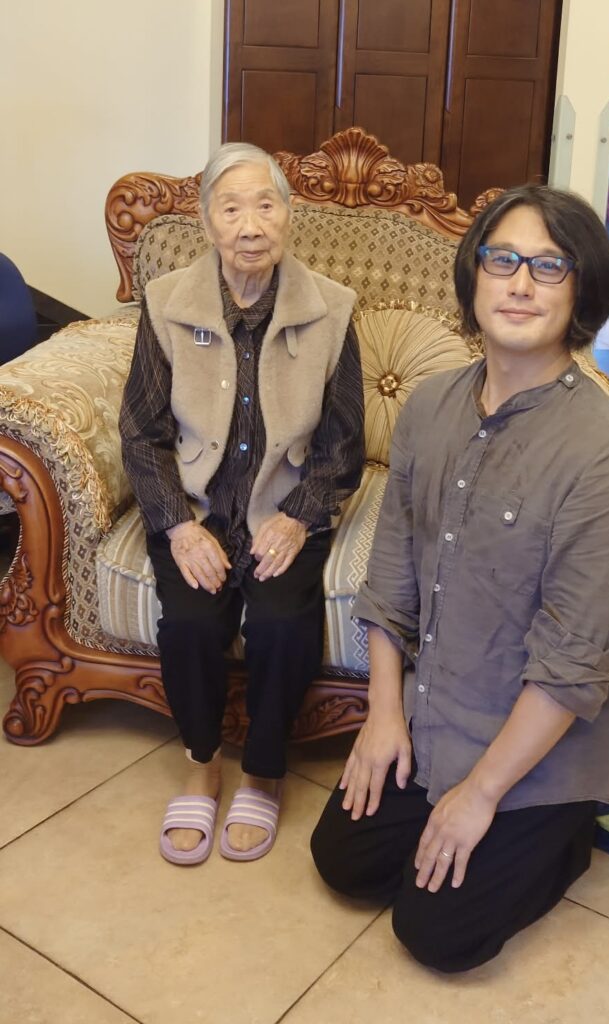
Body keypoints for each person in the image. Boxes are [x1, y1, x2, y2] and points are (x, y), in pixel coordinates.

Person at [310, 185, 609, 971]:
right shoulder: (431, 406)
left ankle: (588, 811)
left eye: (549, 265)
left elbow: (572, 666)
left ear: (581, 291)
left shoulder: (607, 461)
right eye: (502, 260)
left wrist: (478, 794)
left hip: (547, 734)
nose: (520, 283)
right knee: (345, 861)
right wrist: (383, 716)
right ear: (473, 276)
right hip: (444, 707)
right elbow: (392, 572)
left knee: (440, 934)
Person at [119, 142, 364, 865]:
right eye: (231, 209)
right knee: (191, 624)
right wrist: (177, 526)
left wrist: (298, 516)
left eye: (265, 205)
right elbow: (141, 432)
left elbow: (344, 441)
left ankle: (262, 772)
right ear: (207, 224)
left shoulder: (332, 308)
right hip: (196, 508)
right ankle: (201, 764)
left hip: (284, 507)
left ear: (288, 214)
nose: (250, 225)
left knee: (284, 624)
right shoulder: (167, 303)